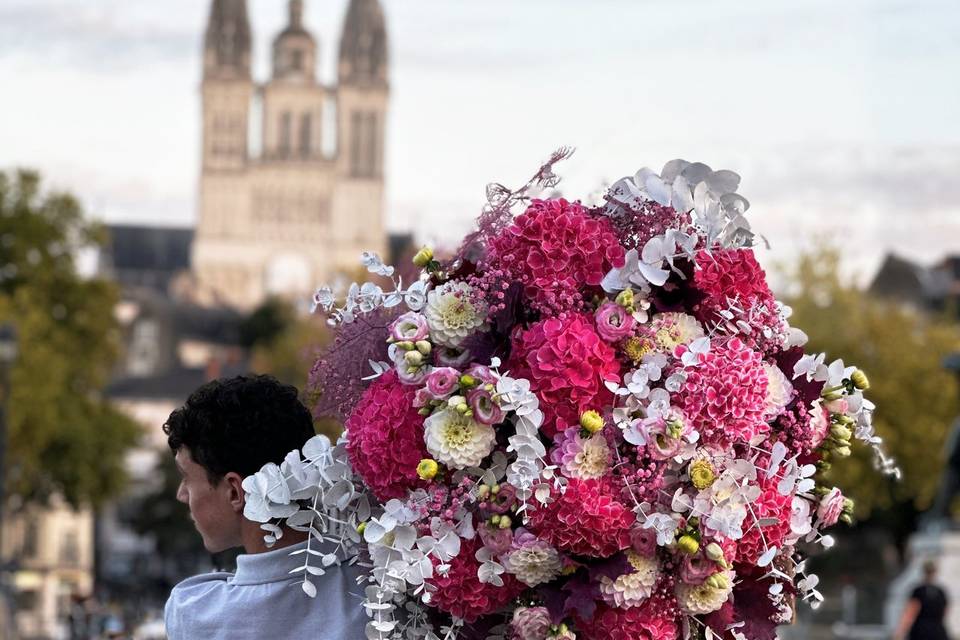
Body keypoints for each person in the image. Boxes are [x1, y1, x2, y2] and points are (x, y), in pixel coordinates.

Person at [162, 375, 367, 639]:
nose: (181, 494)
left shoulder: (194, 613)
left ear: (235, 491)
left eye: (187, 478)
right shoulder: (378, 591)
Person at [895, 560, 949, 640]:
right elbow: (945, 612)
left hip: (920, 631)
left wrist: (900, 631)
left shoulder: (918, 591)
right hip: (938, 631)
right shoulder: (941, 592)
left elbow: (911, 611)